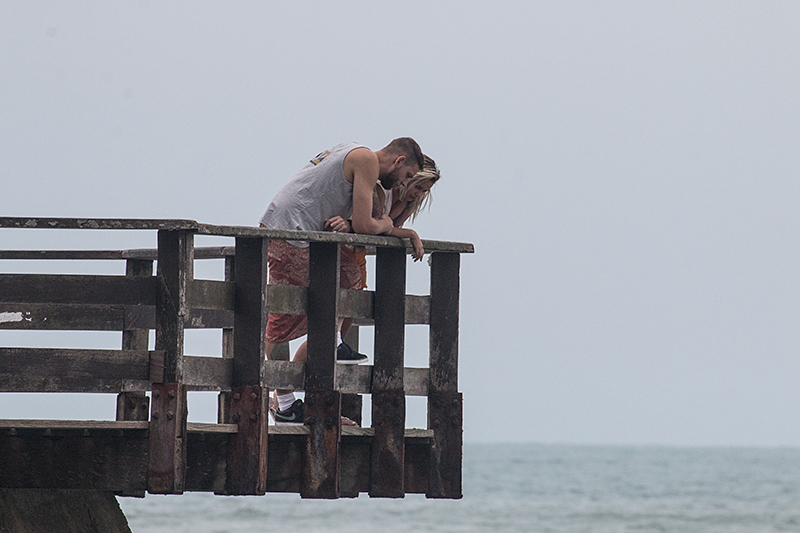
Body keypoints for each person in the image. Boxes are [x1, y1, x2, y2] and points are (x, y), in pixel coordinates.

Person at [260, 138, 424, 425]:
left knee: (348, 279)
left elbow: (359, 222)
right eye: (408, 175)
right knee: (282, 321)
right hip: (288, 230)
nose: (405, 182)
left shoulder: (358, 156)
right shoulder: (366, 161)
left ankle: (321, 370)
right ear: (399, 162)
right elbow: (365, 227)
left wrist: (389, 224)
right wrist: (386, 225)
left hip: (299, 232)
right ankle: (285, 406)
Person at [325, 155, 440, 343]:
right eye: (418, 186)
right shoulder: (383, 189)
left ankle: (332, 351)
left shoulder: (409, 202)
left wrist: (404, 232)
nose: (419, 193)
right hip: (345, 248)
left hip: (358, 250)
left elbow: (390, 229)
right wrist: (411, 235)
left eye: (424, 191)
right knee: (334, 320)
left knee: (347, 317)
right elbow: (378, 226)